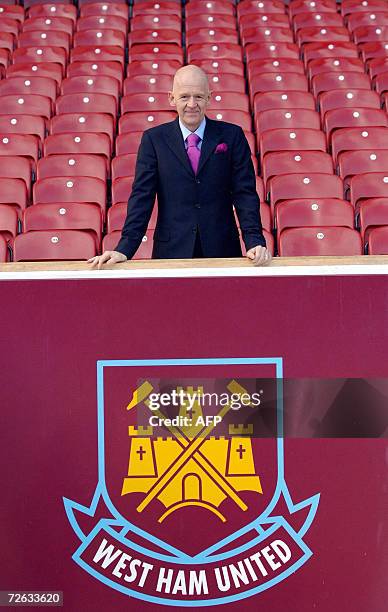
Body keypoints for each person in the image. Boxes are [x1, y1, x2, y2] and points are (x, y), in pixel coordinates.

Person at [88, 65, 271, 268]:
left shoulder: (232, 136)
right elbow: (142, 197)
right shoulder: (154, 140)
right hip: (171, 251)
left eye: (199, 97)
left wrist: (254, 241)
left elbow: (244, 193)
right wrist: (124, 248)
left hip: (222, 249)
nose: (192, 104)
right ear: (171, 98)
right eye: (184, 97)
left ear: (209, 98)